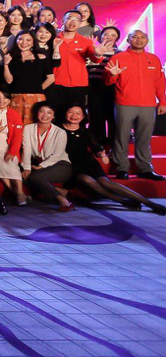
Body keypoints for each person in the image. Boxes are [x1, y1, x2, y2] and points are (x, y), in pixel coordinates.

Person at [60, 105, 165, 214]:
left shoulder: (85, 131)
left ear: (83, 117)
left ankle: (149, 203)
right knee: (86, 179)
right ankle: (121, 200)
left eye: (78, 113)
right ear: (65, 113)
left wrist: (102, 154)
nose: (74, 115)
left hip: (88, 163)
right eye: (71, 112)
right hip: (70, 166)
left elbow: (95, 147)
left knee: (105, 182)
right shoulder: (58, 129)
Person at [105, 30, 166, 180]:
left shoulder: (153, 59)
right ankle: (121, 168)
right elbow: (107, 82)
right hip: (124, 103)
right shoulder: (118, 57)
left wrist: (162, 101)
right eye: (135, 37)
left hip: (148, 105)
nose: (139, 40)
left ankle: (145, 169)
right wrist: (112, 74)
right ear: (128, 40)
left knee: (144, 138)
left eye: (142, 37)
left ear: (147, 40)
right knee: (121, 137)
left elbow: (159, 82)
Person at [20, 103, 75, 212]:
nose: (45, 115)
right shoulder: (28, 128)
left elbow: (57, 155)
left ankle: (63, 200)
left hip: (61, 165)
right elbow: (27, 149)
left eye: (49, 112)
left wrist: (40, 166)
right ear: (37, 114)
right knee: (21, 175)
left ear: (53, 116)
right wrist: (26, 168)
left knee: (34, 177)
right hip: (39, 165)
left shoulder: (60, 132)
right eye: (42, 111)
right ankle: (61, 191)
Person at [53, 11, 104, 112]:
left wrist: (98, 54)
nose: (73, 22)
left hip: (79, 84)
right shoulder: (54, 40)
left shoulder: (86, 41)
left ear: (80, 23)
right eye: (69, 18)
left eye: (77, 20)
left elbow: (95, 59)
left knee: (77, 115)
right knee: (58, 115)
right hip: (57, 83)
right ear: (62, 21)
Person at [4, 30, 55, 124]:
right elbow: (9, 81)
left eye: (28, 40)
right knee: (15, 124)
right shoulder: (11, 57)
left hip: (36, 98)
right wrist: (6, 64)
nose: (24, 43)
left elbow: (51, 78)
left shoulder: (40, 57)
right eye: (21, 39)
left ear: (33, 43)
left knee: (34, 125)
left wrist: (37, 89)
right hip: (16, 97)